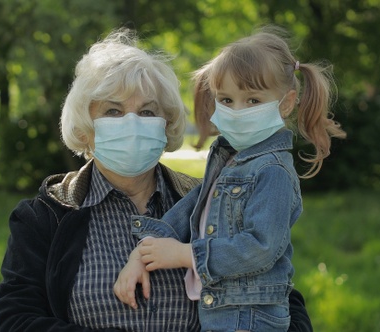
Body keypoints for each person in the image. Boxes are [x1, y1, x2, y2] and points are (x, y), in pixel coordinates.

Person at [0, 27, 313, 331]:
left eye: (147, 112)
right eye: (113, 111)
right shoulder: (46, 216)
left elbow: (278, 294)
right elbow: (13, 319)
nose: (132, 123)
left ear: (166, 123)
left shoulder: (207, 200)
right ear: (84, 128)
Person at [114, 26, 345, 331]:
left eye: (252, 101)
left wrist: (186, 254)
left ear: (286, 103)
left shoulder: (272, 171)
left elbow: (260, 248)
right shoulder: (227, 157)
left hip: (250, 319)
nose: (237, 111)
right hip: (224, 316)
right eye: (226, 100)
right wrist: (142, 253)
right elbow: (188, 212)